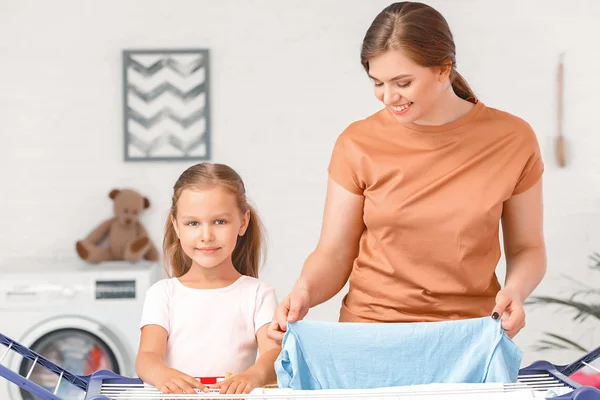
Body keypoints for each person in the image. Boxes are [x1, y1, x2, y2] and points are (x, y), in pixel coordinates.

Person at [269, 1, 546, 342]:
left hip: (470, 336)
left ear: (443, 69)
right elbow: (334, 252)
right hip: (369, 334)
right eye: (377, 83)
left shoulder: (512, 139)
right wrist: (304, 292)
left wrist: (515, 293)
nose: (388, 97)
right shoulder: (357, 142)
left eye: (402, 82)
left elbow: (527, 248)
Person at [136, 163, 280, 395]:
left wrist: (253, 376)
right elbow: (147, 356)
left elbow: (273, 354)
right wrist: (163, 376)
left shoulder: (258, 294)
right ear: (176, 226)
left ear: (243, 222)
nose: (206, 236)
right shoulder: (162, 293)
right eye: (193, 223)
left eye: (220, 221)